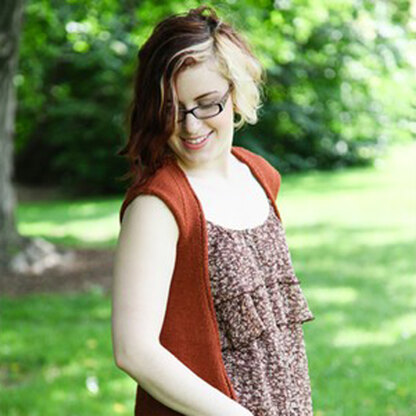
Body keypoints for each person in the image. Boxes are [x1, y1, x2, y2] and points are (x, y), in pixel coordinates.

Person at [111, 5, 315, 416]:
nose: (191, 126)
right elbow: (134, 350)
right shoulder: (159, 205)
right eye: (172, 108)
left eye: (207, 104)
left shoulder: (259, 175)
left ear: (235, 93)